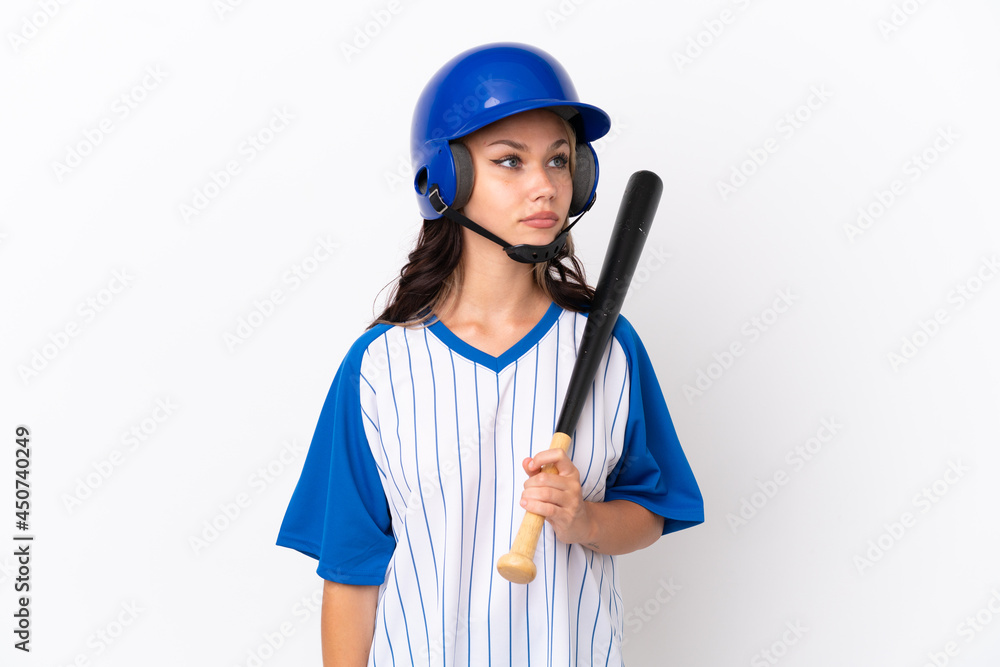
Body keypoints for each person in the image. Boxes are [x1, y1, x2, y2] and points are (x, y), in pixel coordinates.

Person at [276, 42, 704, 666]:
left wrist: (583, 519)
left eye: (559, 161)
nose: (545, 186)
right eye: (510, 161)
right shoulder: (381, 366)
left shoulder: (608, 347)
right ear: (449, 180)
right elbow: (350, 568)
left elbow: (652, 508)